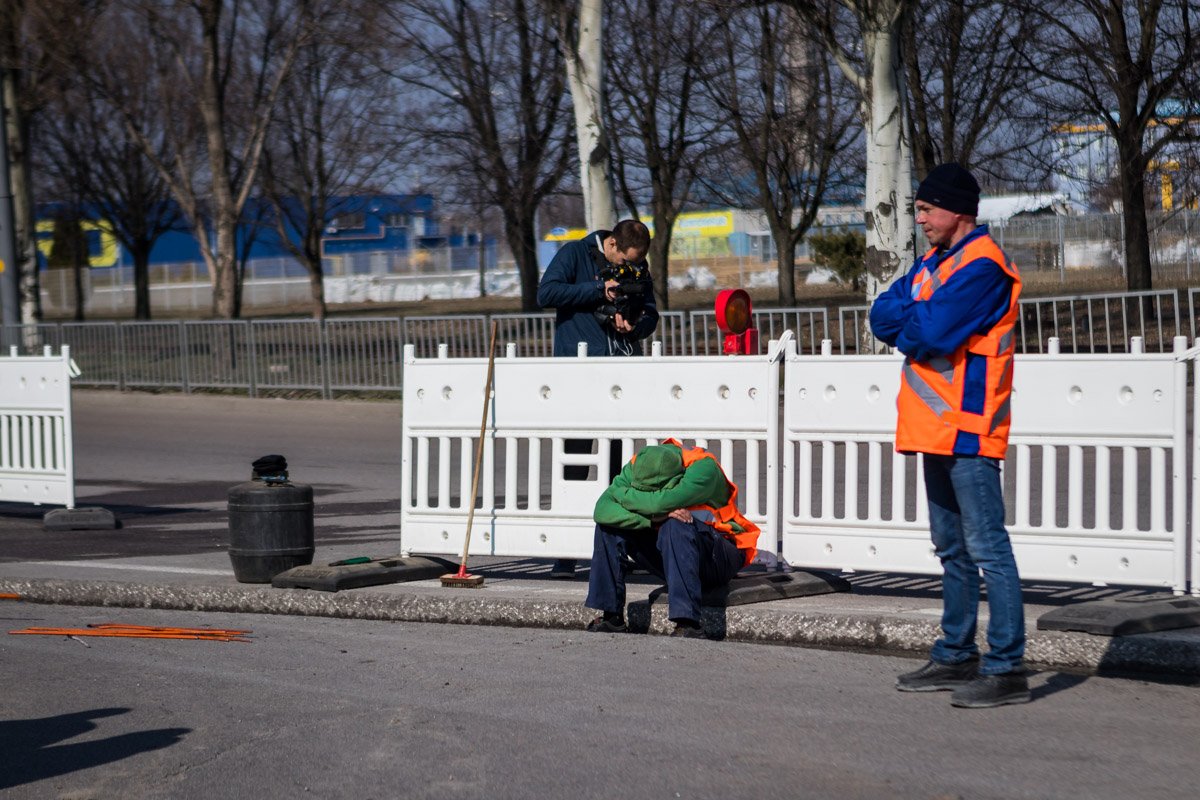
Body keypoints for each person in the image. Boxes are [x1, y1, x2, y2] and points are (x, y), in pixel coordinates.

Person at [869, 163, 1028, 708]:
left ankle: (1007, 666)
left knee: (988, 549)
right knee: (952, 548)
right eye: (917, 209)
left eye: (926, 209)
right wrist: (920, 319)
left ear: (958, 211)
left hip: (968, 427)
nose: (920, 219)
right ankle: (956, 654)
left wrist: (917, 320)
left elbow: (928, 329)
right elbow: (879, 315)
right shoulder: (936, 262)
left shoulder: (983, 265)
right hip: (934, 427)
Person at [537, 220, 660, 579]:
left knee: (618, 464)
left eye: (638, 264)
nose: (632, 269)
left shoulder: (638, 267)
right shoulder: (575, 253)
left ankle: (616, 548)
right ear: (611, 245)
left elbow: (651, 311)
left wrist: (636, 327)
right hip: (579, 373)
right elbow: (547, 294)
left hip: (621, 372)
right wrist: (597, 290)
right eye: (627, 261)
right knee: (575, 459)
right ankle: (565, 552)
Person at [584, 438, 760, 639]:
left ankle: (688, 623)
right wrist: (652, 520)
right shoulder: (635, 465)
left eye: (654, 491)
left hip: (719, 555)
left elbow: (660, 504)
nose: (647, 496)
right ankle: (611, 617)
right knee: (610, 526)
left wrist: (626, 497)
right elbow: (602, 510)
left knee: (675, 524)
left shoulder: (703, 468)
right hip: (677, 557)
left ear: (676, 479)